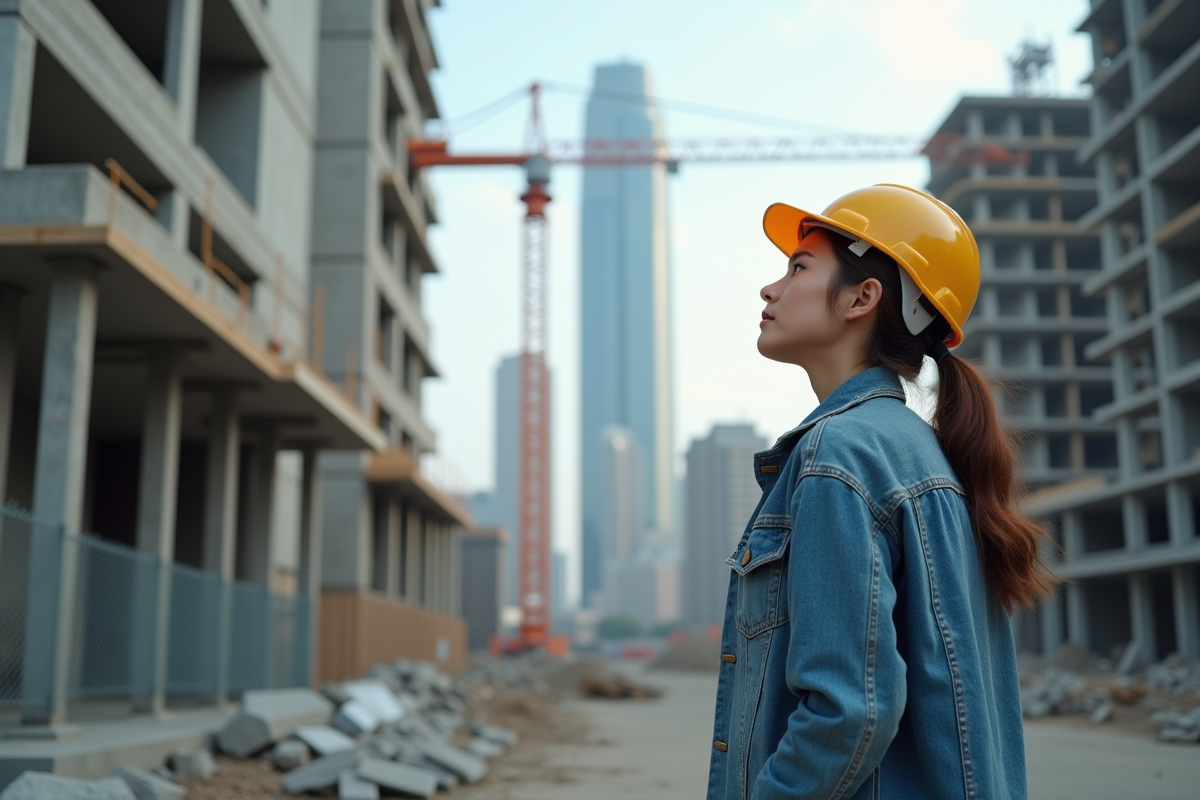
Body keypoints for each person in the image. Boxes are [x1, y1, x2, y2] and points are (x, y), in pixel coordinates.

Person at [706, 184, 1056, 800]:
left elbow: (848, 711)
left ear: (862, 297)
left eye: (798, 268)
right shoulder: (915, 450)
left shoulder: (840, 454)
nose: (770, 289)